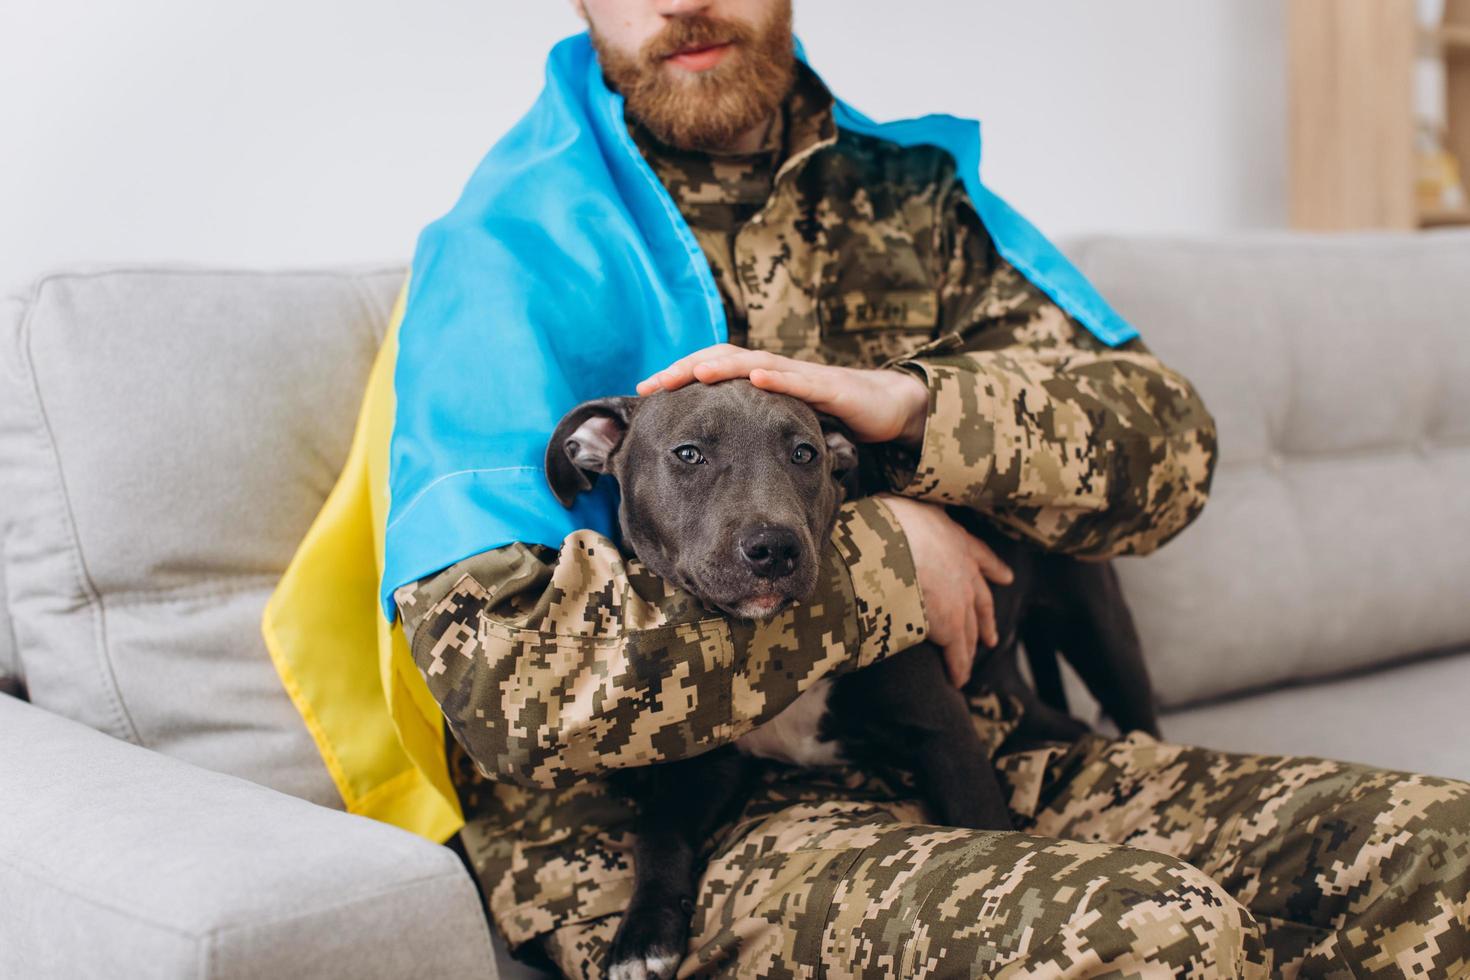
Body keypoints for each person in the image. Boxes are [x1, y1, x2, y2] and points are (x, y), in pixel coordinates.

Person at [369, 2, 1470, 976]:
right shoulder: (504, 255)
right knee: (1143, 931)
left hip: (968, 740)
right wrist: (891, 556)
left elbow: (1172, 449)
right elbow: (508, 680)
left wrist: (916, 408)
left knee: (1447, 854)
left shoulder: (909, 197)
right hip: (658, 835)